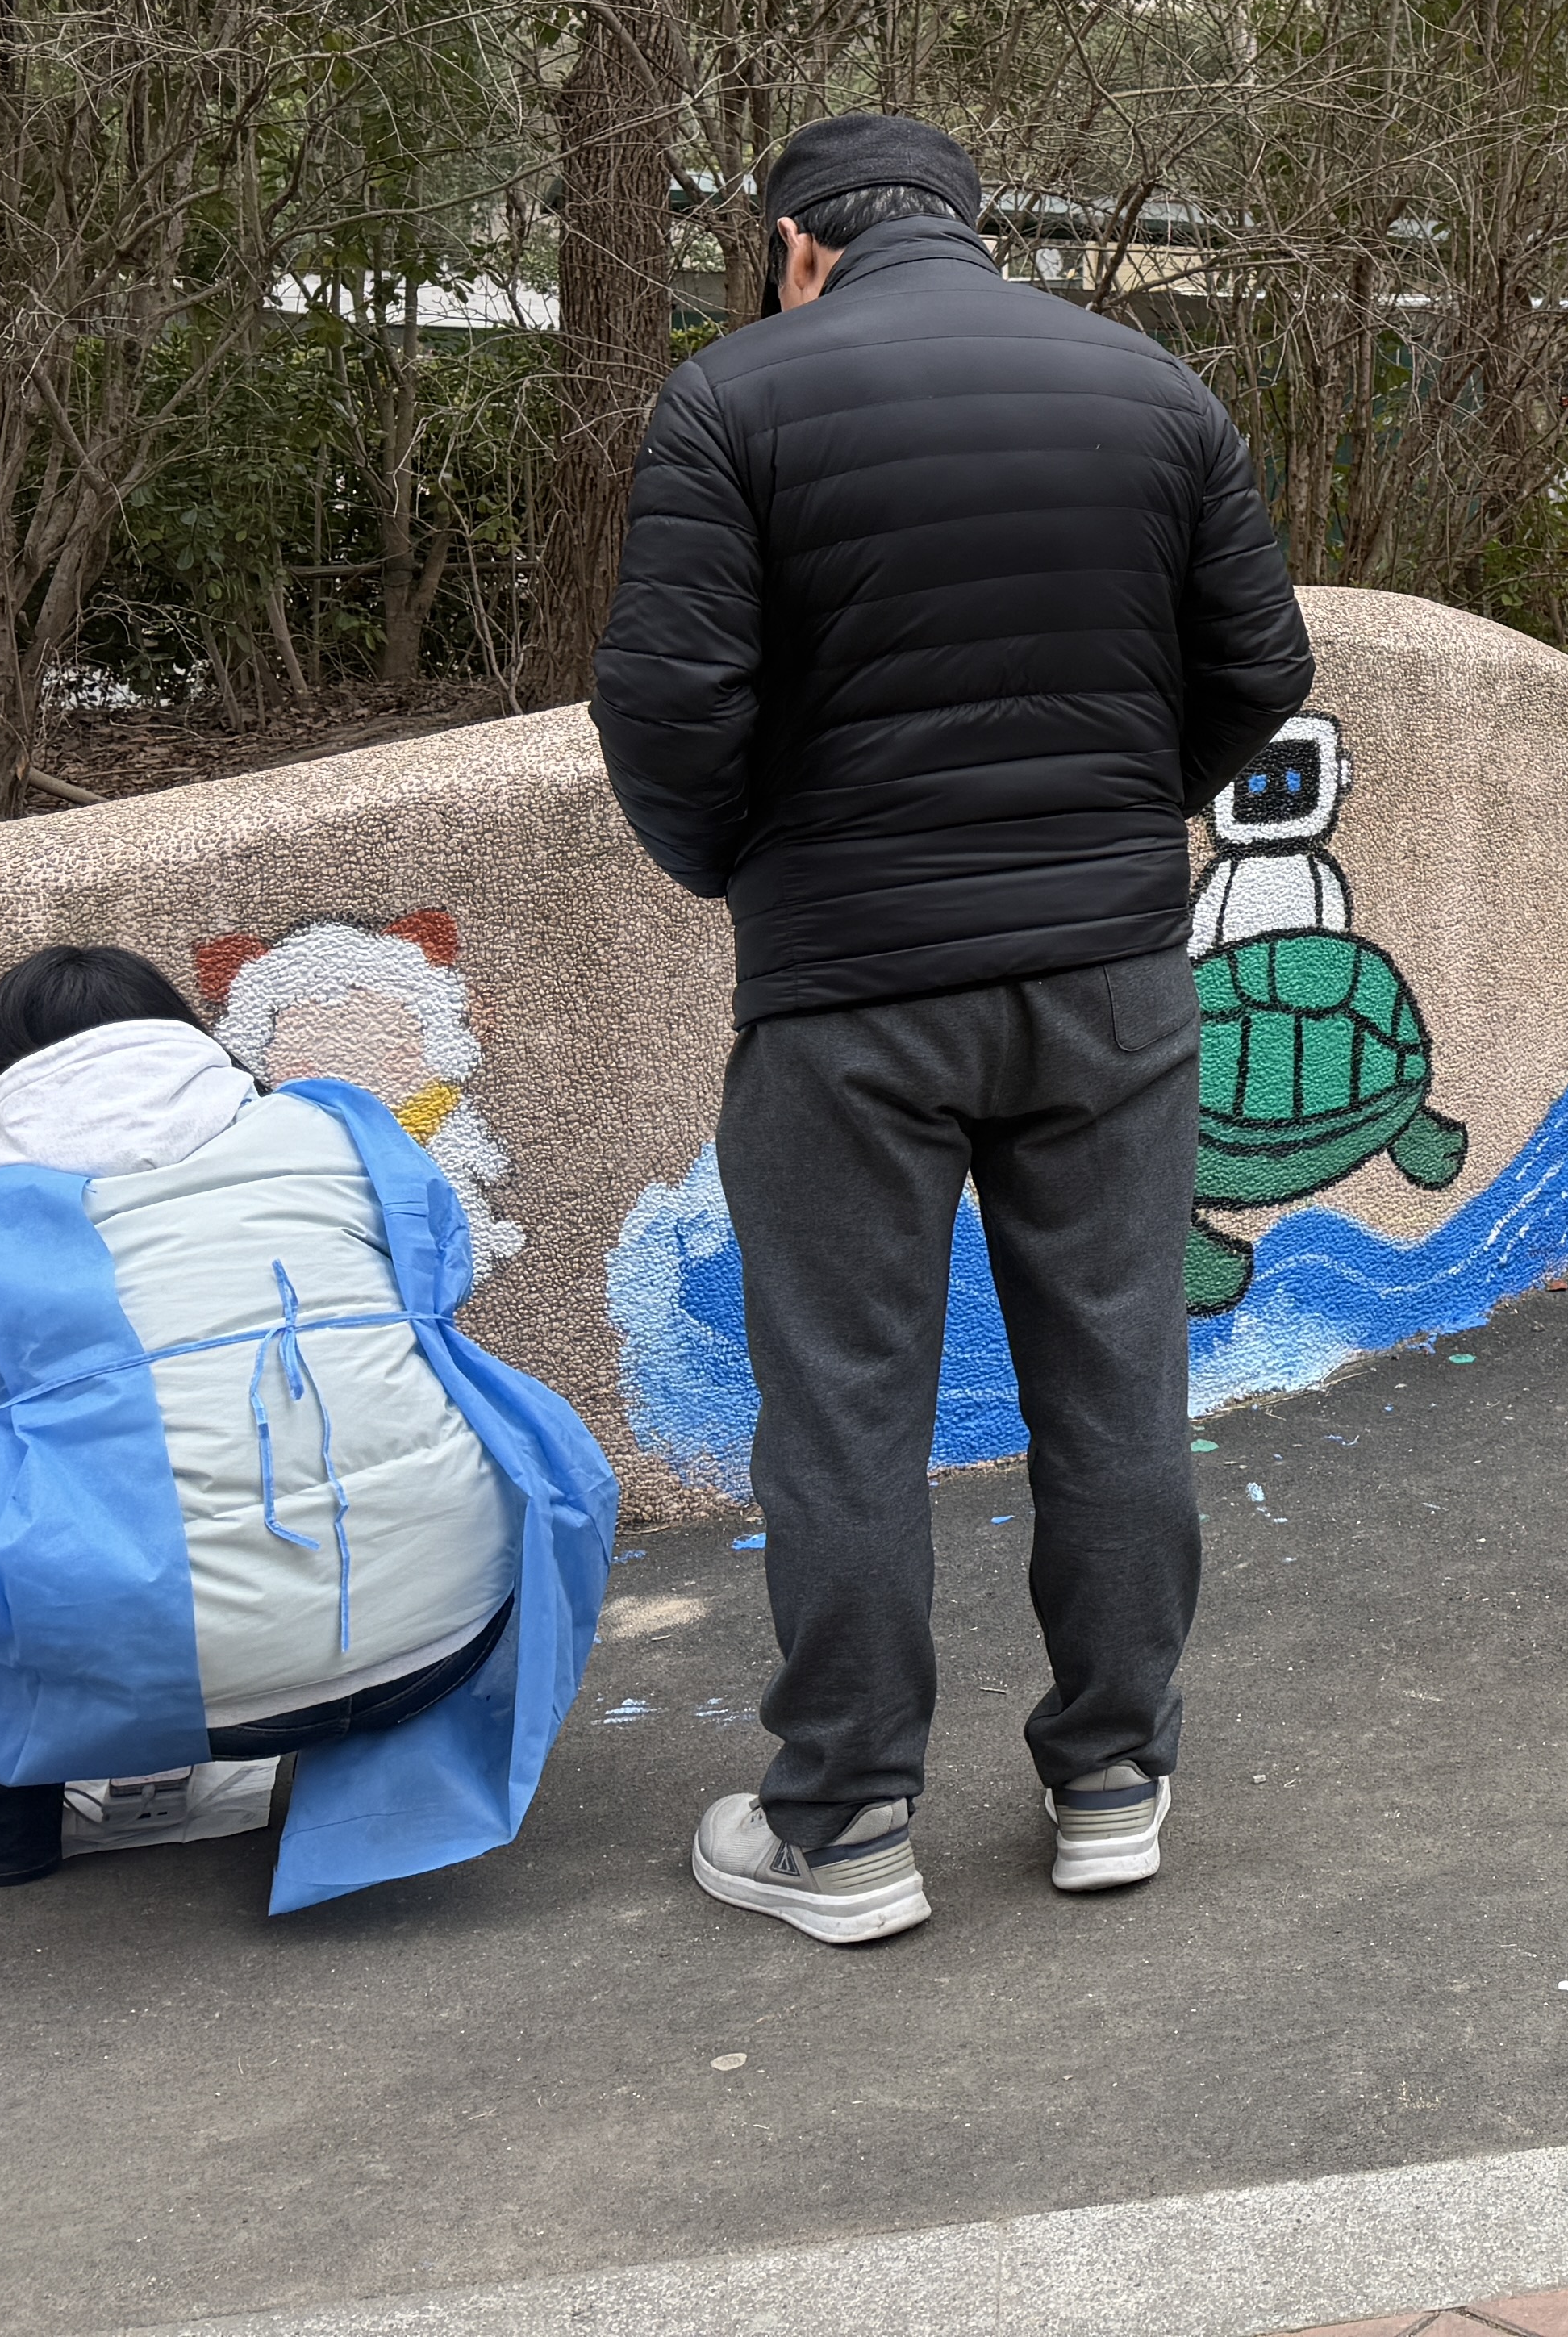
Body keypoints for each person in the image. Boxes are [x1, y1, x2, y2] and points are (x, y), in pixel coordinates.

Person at [594, 111, 1312, 1947]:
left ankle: (844, 1820)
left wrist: (757, 869)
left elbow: (666, 708)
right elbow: (1262, 669)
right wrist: (1113, 818)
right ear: (971, 233)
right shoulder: (1152, 390)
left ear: (796, 244)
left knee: (845, 1405)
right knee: (1117, 1374)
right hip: (1109, 981)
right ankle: (1113, 1775)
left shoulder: (731, 400)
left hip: (847, 990)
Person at [0, 947, 615, 1905]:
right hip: (450, 1637)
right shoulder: (341, 1130)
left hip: (149, 1678)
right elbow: (438, 1286)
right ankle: (376, 1727)